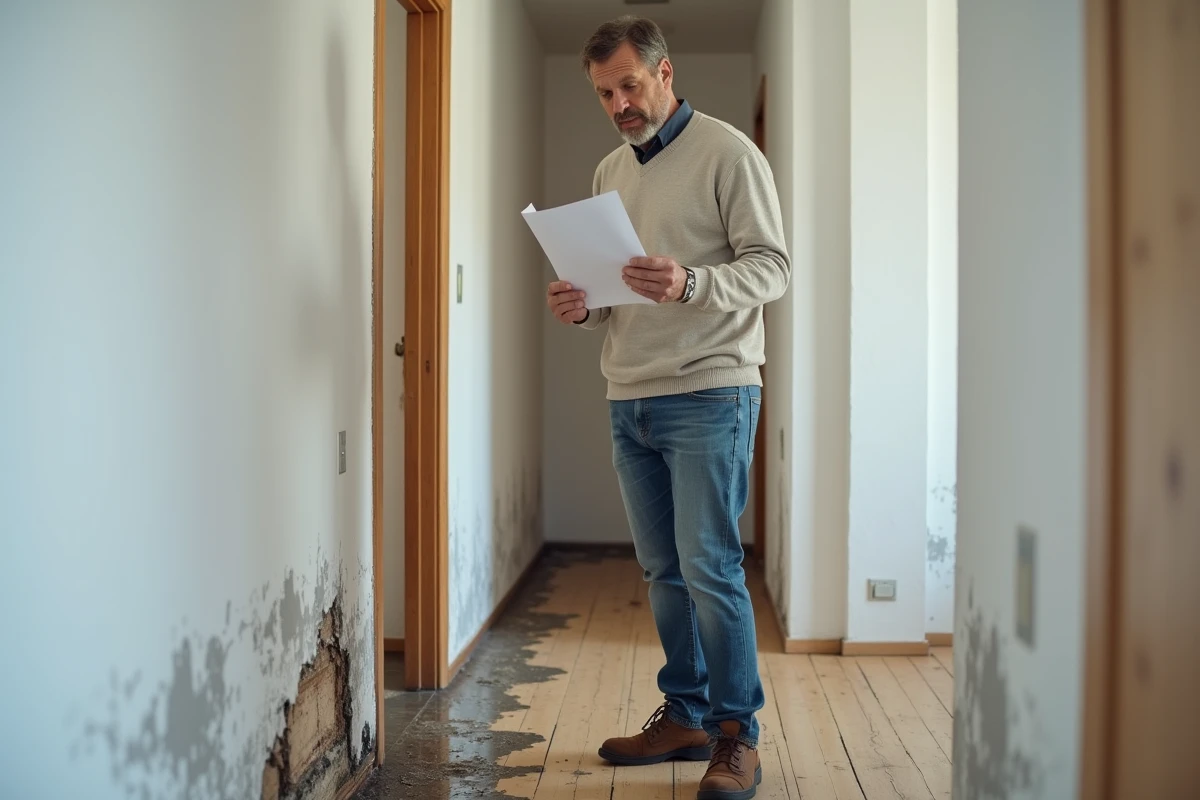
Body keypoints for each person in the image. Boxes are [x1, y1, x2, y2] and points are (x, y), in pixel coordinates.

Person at [544, 15, 790, 800]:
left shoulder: (727, 152)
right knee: (662, 572)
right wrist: (585, 306)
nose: (619, 102)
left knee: (712, 570)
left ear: (665, 73)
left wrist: (693, 283)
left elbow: (773, 268)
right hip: (632, 395)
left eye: (629, 85)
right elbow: (619, 295)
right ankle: (683, 714)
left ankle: (734, 734)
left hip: (713, 390)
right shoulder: (608, 171)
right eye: (604, 92)